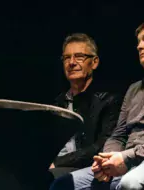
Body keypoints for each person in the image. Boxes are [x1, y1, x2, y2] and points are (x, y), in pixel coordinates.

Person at [50, 21, 144, 190]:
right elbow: (118, 135)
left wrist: (127, 157)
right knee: (64, 184)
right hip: (128, 159)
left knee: (131, 184)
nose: (140, 46)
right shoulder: (134, 88)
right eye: (138, 42)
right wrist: (107, 160)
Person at [49, 33, 122, 179]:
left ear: (94, 62)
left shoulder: (109, 100)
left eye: (79, 56)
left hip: (84, 168)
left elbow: (102, 146)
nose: (72, 62)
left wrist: (58, 162)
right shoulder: (58, 102)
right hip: (54, 166)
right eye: (67, 57)